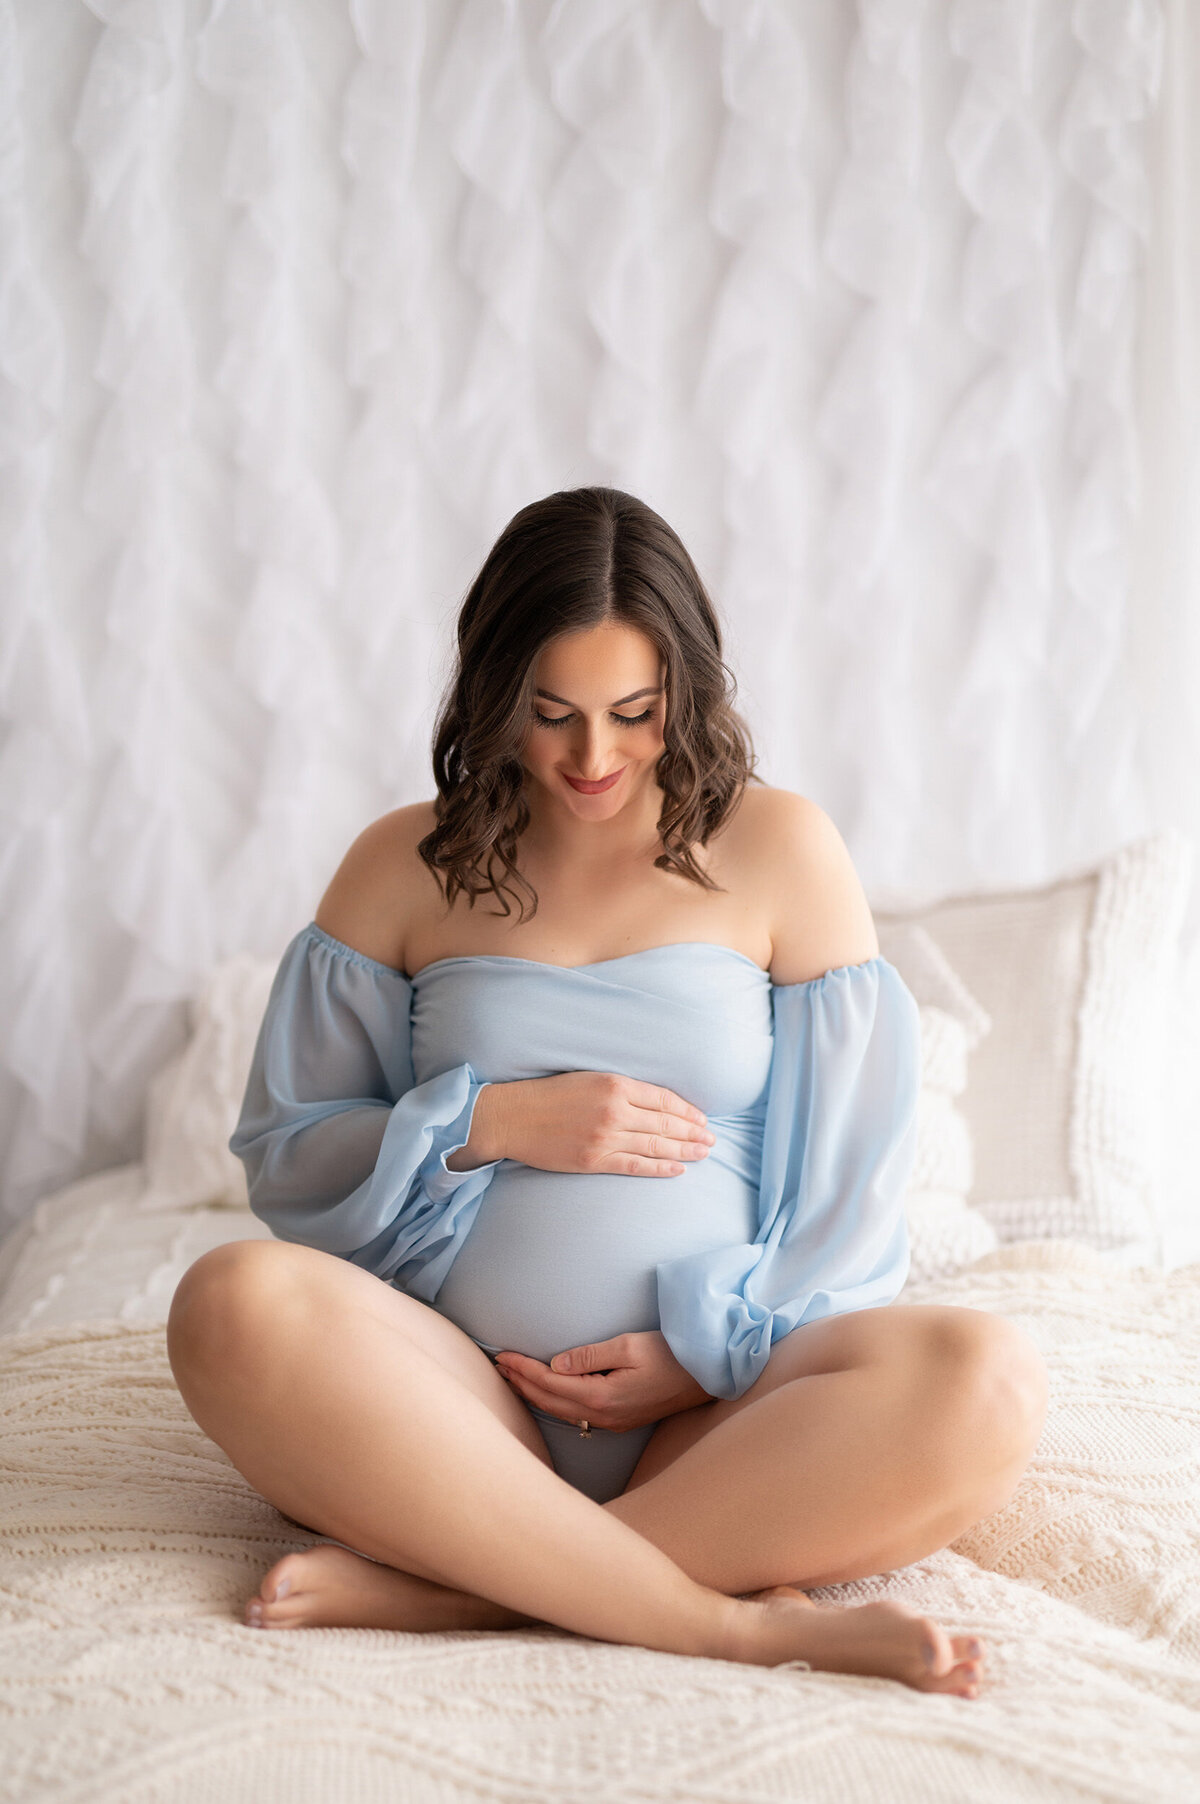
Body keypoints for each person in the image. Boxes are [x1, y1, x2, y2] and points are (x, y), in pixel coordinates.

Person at [166, 486, 1048, 1694]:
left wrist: (710, 1350)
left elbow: (851, 1188)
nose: (593, 758)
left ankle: (469, 1590)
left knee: (985, 1380)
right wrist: (489, 1121)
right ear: (492, 697)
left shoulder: (781, 850)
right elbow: (294, 1152)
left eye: (635, 713)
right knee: (229, 1302)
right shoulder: (400, 865)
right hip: (458, 1413)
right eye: (552, 713)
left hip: (721, 1413)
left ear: (689, 689)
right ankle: (732, 1622)